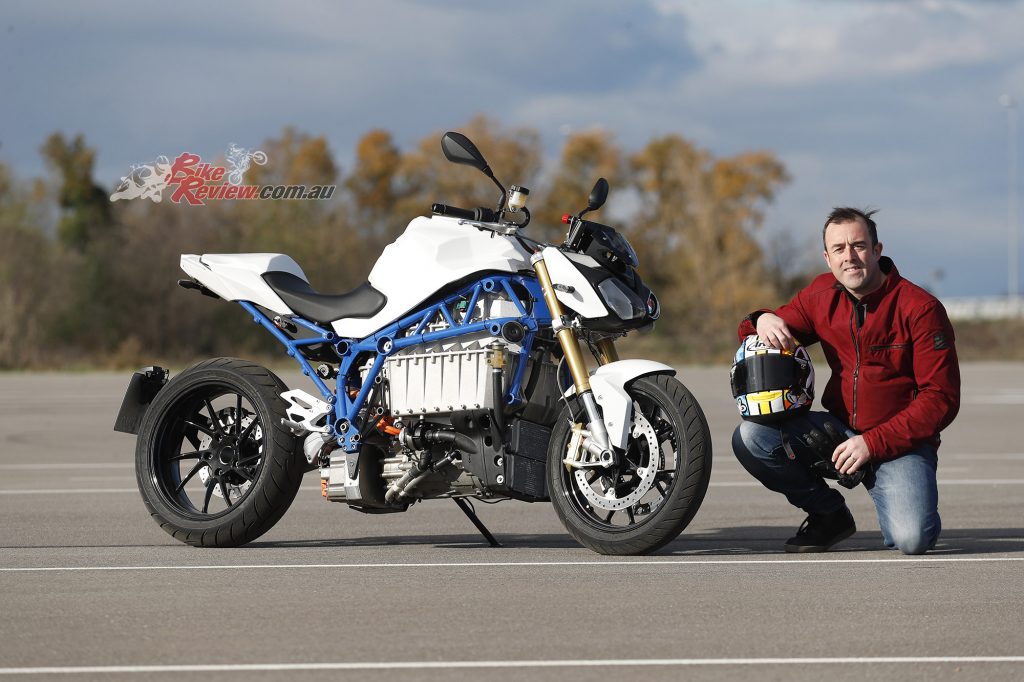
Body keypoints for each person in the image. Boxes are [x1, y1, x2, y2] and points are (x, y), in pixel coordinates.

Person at [731, 207, 960, 554]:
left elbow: (941, 398)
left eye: (858, 246)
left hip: (900, 444)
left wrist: (873, 444)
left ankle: (910, 499)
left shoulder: (920, 308)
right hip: (837, 433)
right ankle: (829, 514)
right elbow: (757, 332)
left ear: (878, 249)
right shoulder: (820, 296)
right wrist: (761, 319)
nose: (849, 257)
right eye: (838, 249)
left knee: (912, 539)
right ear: (827, 257)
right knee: (752, 437)